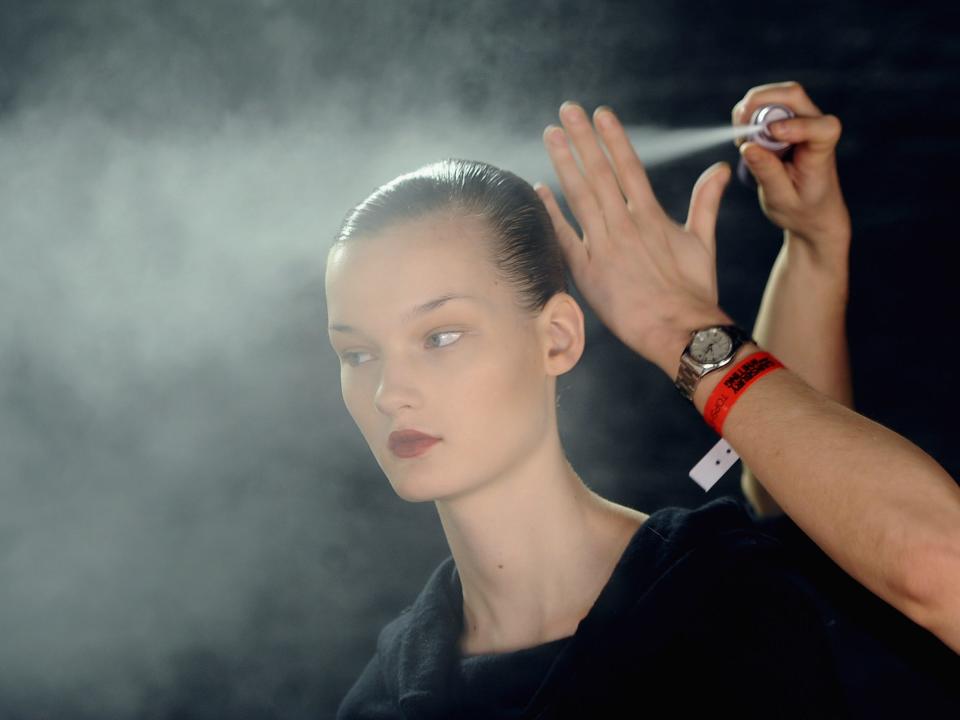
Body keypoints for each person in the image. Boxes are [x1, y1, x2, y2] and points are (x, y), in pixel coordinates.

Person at [327, 82, 960, 718]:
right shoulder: (383, 701)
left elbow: (894, 552)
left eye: (440, 336)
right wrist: (807, 258)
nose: (388, 393)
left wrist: (683, 323)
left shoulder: (731, 594)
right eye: (357, 355)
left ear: (558, 338)